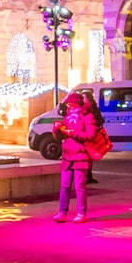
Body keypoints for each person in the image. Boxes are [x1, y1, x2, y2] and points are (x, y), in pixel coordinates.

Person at [52, 91, 102, 223]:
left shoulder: (87, 116)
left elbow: (90, 135)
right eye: (68, 104)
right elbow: (62, 136)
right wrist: (57, 130)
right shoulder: (68, 116)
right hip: (67, 155)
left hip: (81, 156)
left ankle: (81, 213)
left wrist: (72, 132)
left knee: (80, 186)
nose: (69, 107)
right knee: (64, 186)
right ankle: (62, 212)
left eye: (71, 104)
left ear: (77, 104)